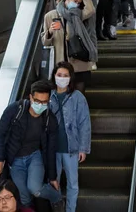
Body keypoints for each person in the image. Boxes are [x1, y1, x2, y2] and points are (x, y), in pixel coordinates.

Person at [0, 80, 65, 212]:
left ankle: (57, 198)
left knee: (35, 189)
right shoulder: (15, 110)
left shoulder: (49, 119)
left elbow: (51, 149)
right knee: (23, 197)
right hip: (15, 160)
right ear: (30, 97)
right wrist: (0, 161)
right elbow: (0, 133)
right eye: (37, 101)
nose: (40, 105)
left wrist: (52, 177)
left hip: (34, 157)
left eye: (44, 102)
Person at [50, 62, 91, 212]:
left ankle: (70, 210)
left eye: (65, 76)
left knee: (72, 183)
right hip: (52, 149)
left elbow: (84, 123)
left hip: (71, 148)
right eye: (59, 75)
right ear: (54, 76)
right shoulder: (49, 95)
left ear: (70, 78)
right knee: (54, 182)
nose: (62, 78)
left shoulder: (77, 97)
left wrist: (83, 148)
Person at [42, 0, 98, 94]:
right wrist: (50, 31)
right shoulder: (50, 16)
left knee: (79, 95)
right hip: (61, 63)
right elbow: (45, 42)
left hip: (78, 61)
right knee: (62, 95)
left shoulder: (78, 14)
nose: (76, 4)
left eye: (79, 3)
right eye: (75, 1)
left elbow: (91, 9)